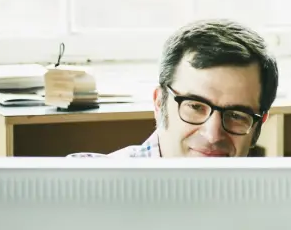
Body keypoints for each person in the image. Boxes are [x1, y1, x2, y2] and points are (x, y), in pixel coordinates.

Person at [70, 19, 279, 158]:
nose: (213, 135)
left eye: (236, 115)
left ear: (258, 126)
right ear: (159, 103)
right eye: (195, 106)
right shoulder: (82, 187)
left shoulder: (277, 203)